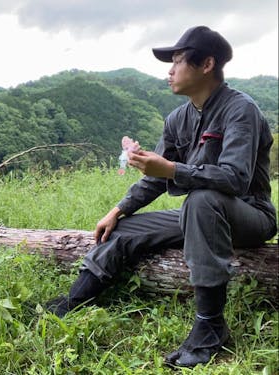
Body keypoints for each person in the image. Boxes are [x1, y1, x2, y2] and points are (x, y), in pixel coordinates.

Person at [45, 25, 277, 368]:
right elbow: (154, 180)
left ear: (206, 64)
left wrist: (170, 170)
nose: (170, 71)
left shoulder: (239, 109)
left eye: (178, 61)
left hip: (250, 214)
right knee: (125, 228)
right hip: (202, 216)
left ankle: (211, 326)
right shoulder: (177, 119)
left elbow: (236, 178)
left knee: (199, 200)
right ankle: (76, 299)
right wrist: (118, 210)